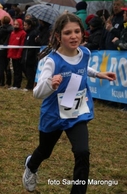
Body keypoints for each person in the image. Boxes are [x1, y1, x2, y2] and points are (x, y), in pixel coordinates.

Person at [22, 13, 116, 193]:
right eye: (67, 33)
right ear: (58, 36)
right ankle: (31, 166)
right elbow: (36, 93)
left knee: (82, 152)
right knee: (45, 151)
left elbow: (80, 67)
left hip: (76, 112)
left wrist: (98, 74)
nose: (73, 36)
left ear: (82, 33)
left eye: (77, 31)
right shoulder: (52, 61)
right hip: (53, 114)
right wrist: (51, 84)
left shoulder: (85, 52)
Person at [7, 18, 26, 90]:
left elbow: (21, 45)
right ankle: (14, 84)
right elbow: (10, 43)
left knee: (18, 71)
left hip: (18, 55)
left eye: (17, 24)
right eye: (14, 24)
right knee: (14, 70)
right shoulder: (12, 33)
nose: (15, 26)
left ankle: (17, 85)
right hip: (12, 54)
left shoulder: (23, 33)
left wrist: (19, 54)